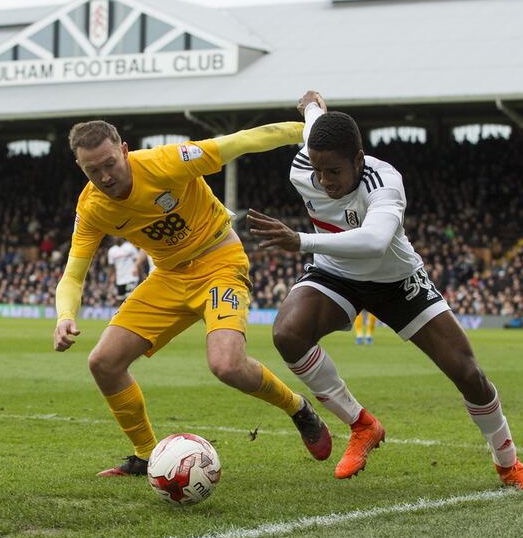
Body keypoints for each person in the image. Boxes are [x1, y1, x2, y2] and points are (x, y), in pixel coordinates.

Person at [247, 92, 523, 490]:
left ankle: (508, 464)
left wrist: (302, 241)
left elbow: (374, 241)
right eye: (319, 172)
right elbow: (313, 125)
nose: (324, 181)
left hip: (396, 280)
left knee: (467, 372)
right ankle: (361, 425)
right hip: (336, 274)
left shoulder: (384, 180)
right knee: (287, 334)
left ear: (359, 159)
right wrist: (311, 107)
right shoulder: (305, 165)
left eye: (335, 171)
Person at [54, 119, 332, 477]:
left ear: (124, 150)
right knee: (103, 362)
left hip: (219, 260)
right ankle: (145, 457)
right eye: (93, 171)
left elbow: (243, 140)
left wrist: (310, 129)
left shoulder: (167, 162)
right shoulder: (92, 207)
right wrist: (65, 316)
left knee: (227, 365)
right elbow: (73, 275)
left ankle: (298, 408)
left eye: (110, 164)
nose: (105, 177)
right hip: (169, 276)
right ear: (81, 167)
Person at [106, 237, 142, 304]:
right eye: (113, 236)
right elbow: (111, 267)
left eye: (116, 236)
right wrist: (109, 279)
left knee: (130, 299)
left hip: (131, 277)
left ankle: (133, 314)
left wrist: (141, 275)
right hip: (120, 279)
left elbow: (138, 262)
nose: (114, 238)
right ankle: (122, 314)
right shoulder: (111, 251)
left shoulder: (130, 247)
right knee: (120, 300)